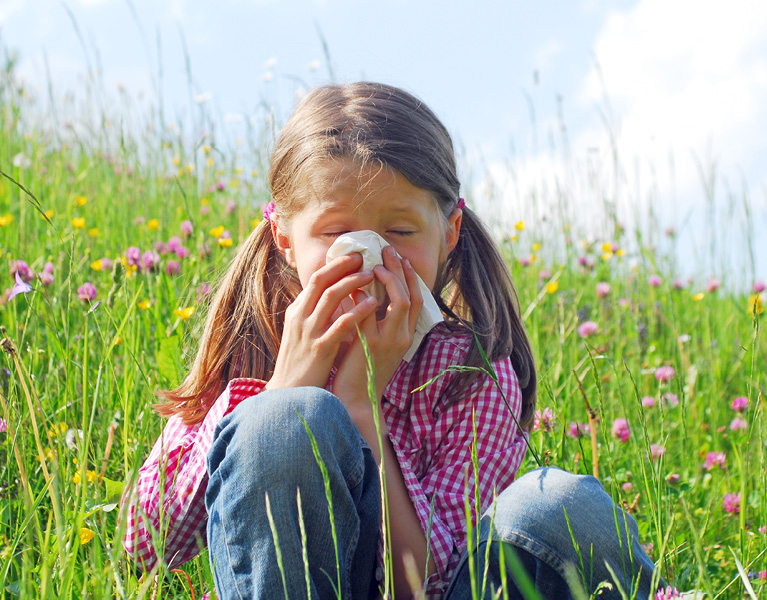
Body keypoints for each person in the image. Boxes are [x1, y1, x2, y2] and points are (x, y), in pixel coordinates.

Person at [124, 82, 662, 599]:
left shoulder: (470, 372)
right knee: (285, 421)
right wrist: (283, 388)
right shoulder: (256, 343)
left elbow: (428, 584)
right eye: (337, 234)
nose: (374, 259)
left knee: (562, 507)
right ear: (285, 239)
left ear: (448, 233)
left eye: (400, 233)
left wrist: (362, 407)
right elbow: (148, 546)